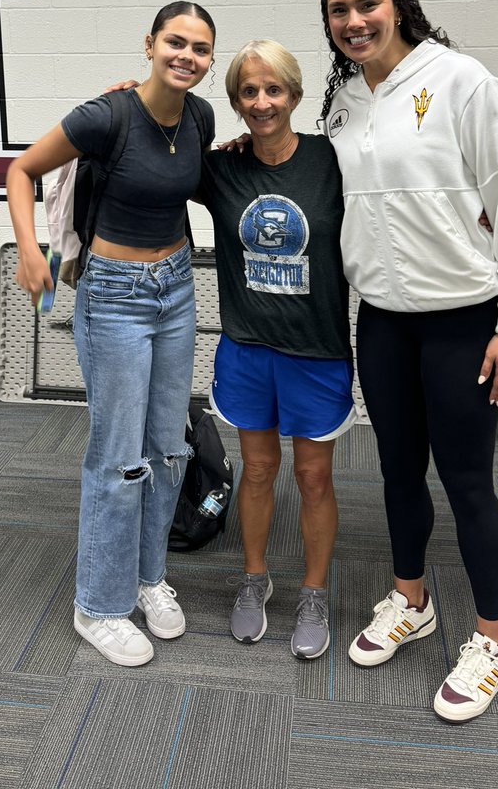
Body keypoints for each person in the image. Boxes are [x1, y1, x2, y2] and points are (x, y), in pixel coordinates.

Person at [319, 0, 498, 722]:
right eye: (339, 10)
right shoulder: (344, 102)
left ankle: (492, 638)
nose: (354, 21)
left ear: (399, 3)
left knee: (468, 482)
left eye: (367, 3)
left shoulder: (463, 82)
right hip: (382, 321)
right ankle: (411, 600)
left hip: (463, 321)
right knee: (397, 473)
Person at [6, 2, 216, 668]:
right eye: (175, 42)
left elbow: (194, 183)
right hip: (116, 298)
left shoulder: (201, 117)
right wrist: (31, 252)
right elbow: (21, 170)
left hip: (177, 289)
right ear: (150, 44)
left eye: (201, 48)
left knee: (169, 449)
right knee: (118, 458)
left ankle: (149, 578)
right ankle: (98, 604)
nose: (187, 56)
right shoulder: (108, 115)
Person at [201, 40, 355, 660]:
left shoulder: (332, 161)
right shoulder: (222, 169)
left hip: (315, 351)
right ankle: (254, 577)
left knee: (313, 475)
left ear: (293, 95)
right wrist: (126, 96)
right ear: (236, 102)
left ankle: (314, 590)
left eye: (273, 90)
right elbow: (151, 150)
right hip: (247, 350)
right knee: (258, 469)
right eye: (248, 92)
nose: (261, 102)